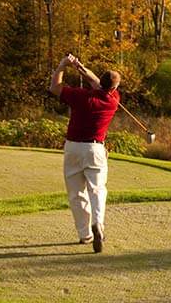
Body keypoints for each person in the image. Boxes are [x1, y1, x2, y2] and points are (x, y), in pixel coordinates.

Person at [49, 53, 121, 253]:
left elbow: (55, 87)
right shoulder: (113, 99)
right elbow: (97, 82)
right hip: (96, 148)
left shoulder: (80, 96)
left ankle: (85, 234)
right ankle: (98, 223)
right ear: (113, 88)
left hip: (73, 147)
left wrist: (63, 64)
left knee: (76, 193)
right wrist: (81, 67)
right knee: (97, 189)